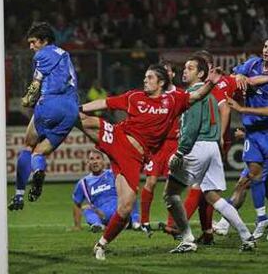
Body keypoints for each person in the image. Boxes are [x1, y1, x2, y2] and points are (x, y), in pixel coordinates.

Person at [77, 63, 221, 260]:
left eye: (150, 77)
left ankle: (101, 244)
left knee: (126, 207)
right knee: (79, 118)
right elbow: (106, 103)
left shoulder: (173, 100)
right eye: (145, 77)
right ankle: (40, 144)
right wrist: (80, 107)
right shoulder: (134, 97)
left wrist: (211, 83)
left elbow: (196, 96)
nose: (145, 80)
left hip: (134, 158)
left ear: (161, 82)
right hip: (118, 138)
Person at [164, 56, 255, 254]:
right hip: (212, 147)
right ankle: (246, 236)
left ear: (201, 74)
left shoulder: (192, 94)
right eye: (185, 67)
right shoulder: (212, 94)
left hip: (197, 147)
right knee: (213, 196)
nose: (184, 71)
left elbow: (193, 126)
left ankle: (187, 238)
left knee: (170, 193)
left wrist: (180, 152)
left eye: (190, 68)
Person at [8, 22, 79, 211]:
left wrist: (27, 99)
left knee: (29, 145)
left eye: (33, 42)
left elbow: (36, 82)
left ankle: (19, 195)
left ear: (44, 41)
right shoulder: (65, 54)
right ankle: (38, 169)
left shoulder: (42, 54)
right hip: (71, 109)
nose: (31, 47)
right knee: (39, 152)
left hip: (50, 104)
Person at [214, 40, 268, 237]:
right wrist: (237, 75)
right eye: (265, 46)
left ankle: (228, 222)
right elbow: (236, 74)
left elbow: (253, 84)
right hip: (253, 134)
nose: (266, 50)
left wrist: (242, 108)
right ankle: (256, 219)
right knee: (247, 180)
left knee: (249, 181)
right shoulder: (253, 63)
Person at [140, 60, 183, 236]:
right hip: (157, 145)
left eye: (167, 71)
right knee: (150, 182)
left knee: (171, 185)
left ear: (171, 75)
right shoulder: (151, 96)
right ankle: (144, 222)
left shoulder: (180, 95)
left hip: (174, 143)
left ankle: (171, 224)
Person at [72, 149, 140, 232]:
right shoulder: (83, 183)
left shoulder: (114, 174)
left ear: (103, 161)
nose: (95, 162)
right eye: (92, 159)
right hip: (102, 215)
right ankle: (97, 225)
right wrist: (77, 226)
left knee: (131, 194)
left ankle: (135, 222)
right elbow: (77, 203)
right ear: (88, 162)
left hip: (120, 210)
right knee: (87, 209)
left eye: (98, 158)